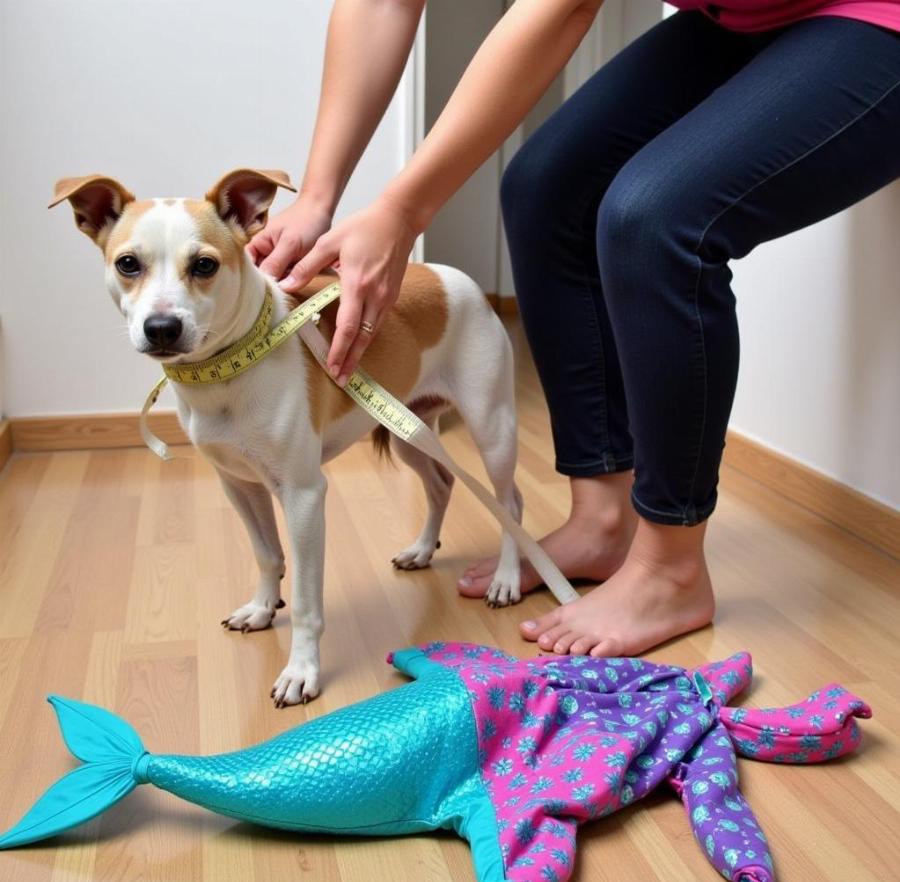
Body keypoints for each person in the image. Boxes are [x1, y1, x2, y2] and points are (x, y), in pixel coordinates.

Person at [250, 0, 900, 658]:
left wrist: (402, 210)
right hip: (747, 17)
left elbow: (560, 7)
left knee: (654, 218)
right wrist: (316, 198)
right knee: (545, 188)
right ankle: (602, 522)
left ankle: (671, 569)